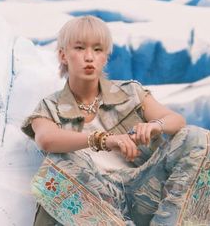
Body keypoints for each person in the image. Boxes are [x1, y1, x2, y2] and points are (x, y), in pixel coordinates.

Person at [21, 15, 209, 226]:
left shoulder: (130, 93)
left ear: (106, 57)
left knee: (198, 137)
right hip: (97, 201)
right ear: (63, 55)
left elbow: (177, 121)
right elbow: (46, 139)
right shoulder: (50, 107)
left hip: (144, 189)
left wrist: (156, 126)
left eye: (98, 49)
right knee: (57, 166)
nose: (89, 57)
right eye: (80, 48)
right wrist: (103, 140)